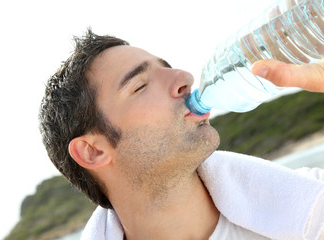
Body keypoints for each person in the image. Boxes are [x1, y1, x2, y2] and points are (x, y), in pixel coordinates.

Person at [39, 30, 324, 240]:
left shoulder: (309, 205)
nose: (184, 78)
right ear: (93, 151)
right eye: (140, 86)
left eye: (166, 67)